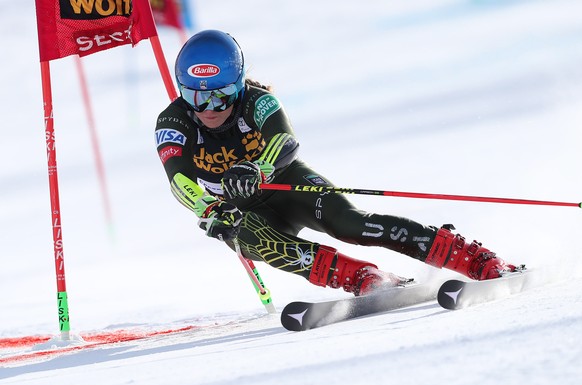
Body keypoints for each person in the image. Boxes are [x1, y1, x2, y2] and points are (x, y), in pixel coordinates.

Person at [155, 30, 517, 296]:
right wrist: (211, 209)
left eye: (221, 95)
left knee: (351, 224)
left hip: (286, 185)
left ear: (238, 84)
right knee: (249, 238)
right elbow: (178, 180)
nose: (209, 108)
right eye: (195, 95)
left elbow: (284, 141)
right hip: (243, 211)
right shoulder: (173, 122)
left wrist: (257, 169)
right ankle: (362, 278)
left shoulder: (258, 101)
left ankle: (469, 257)